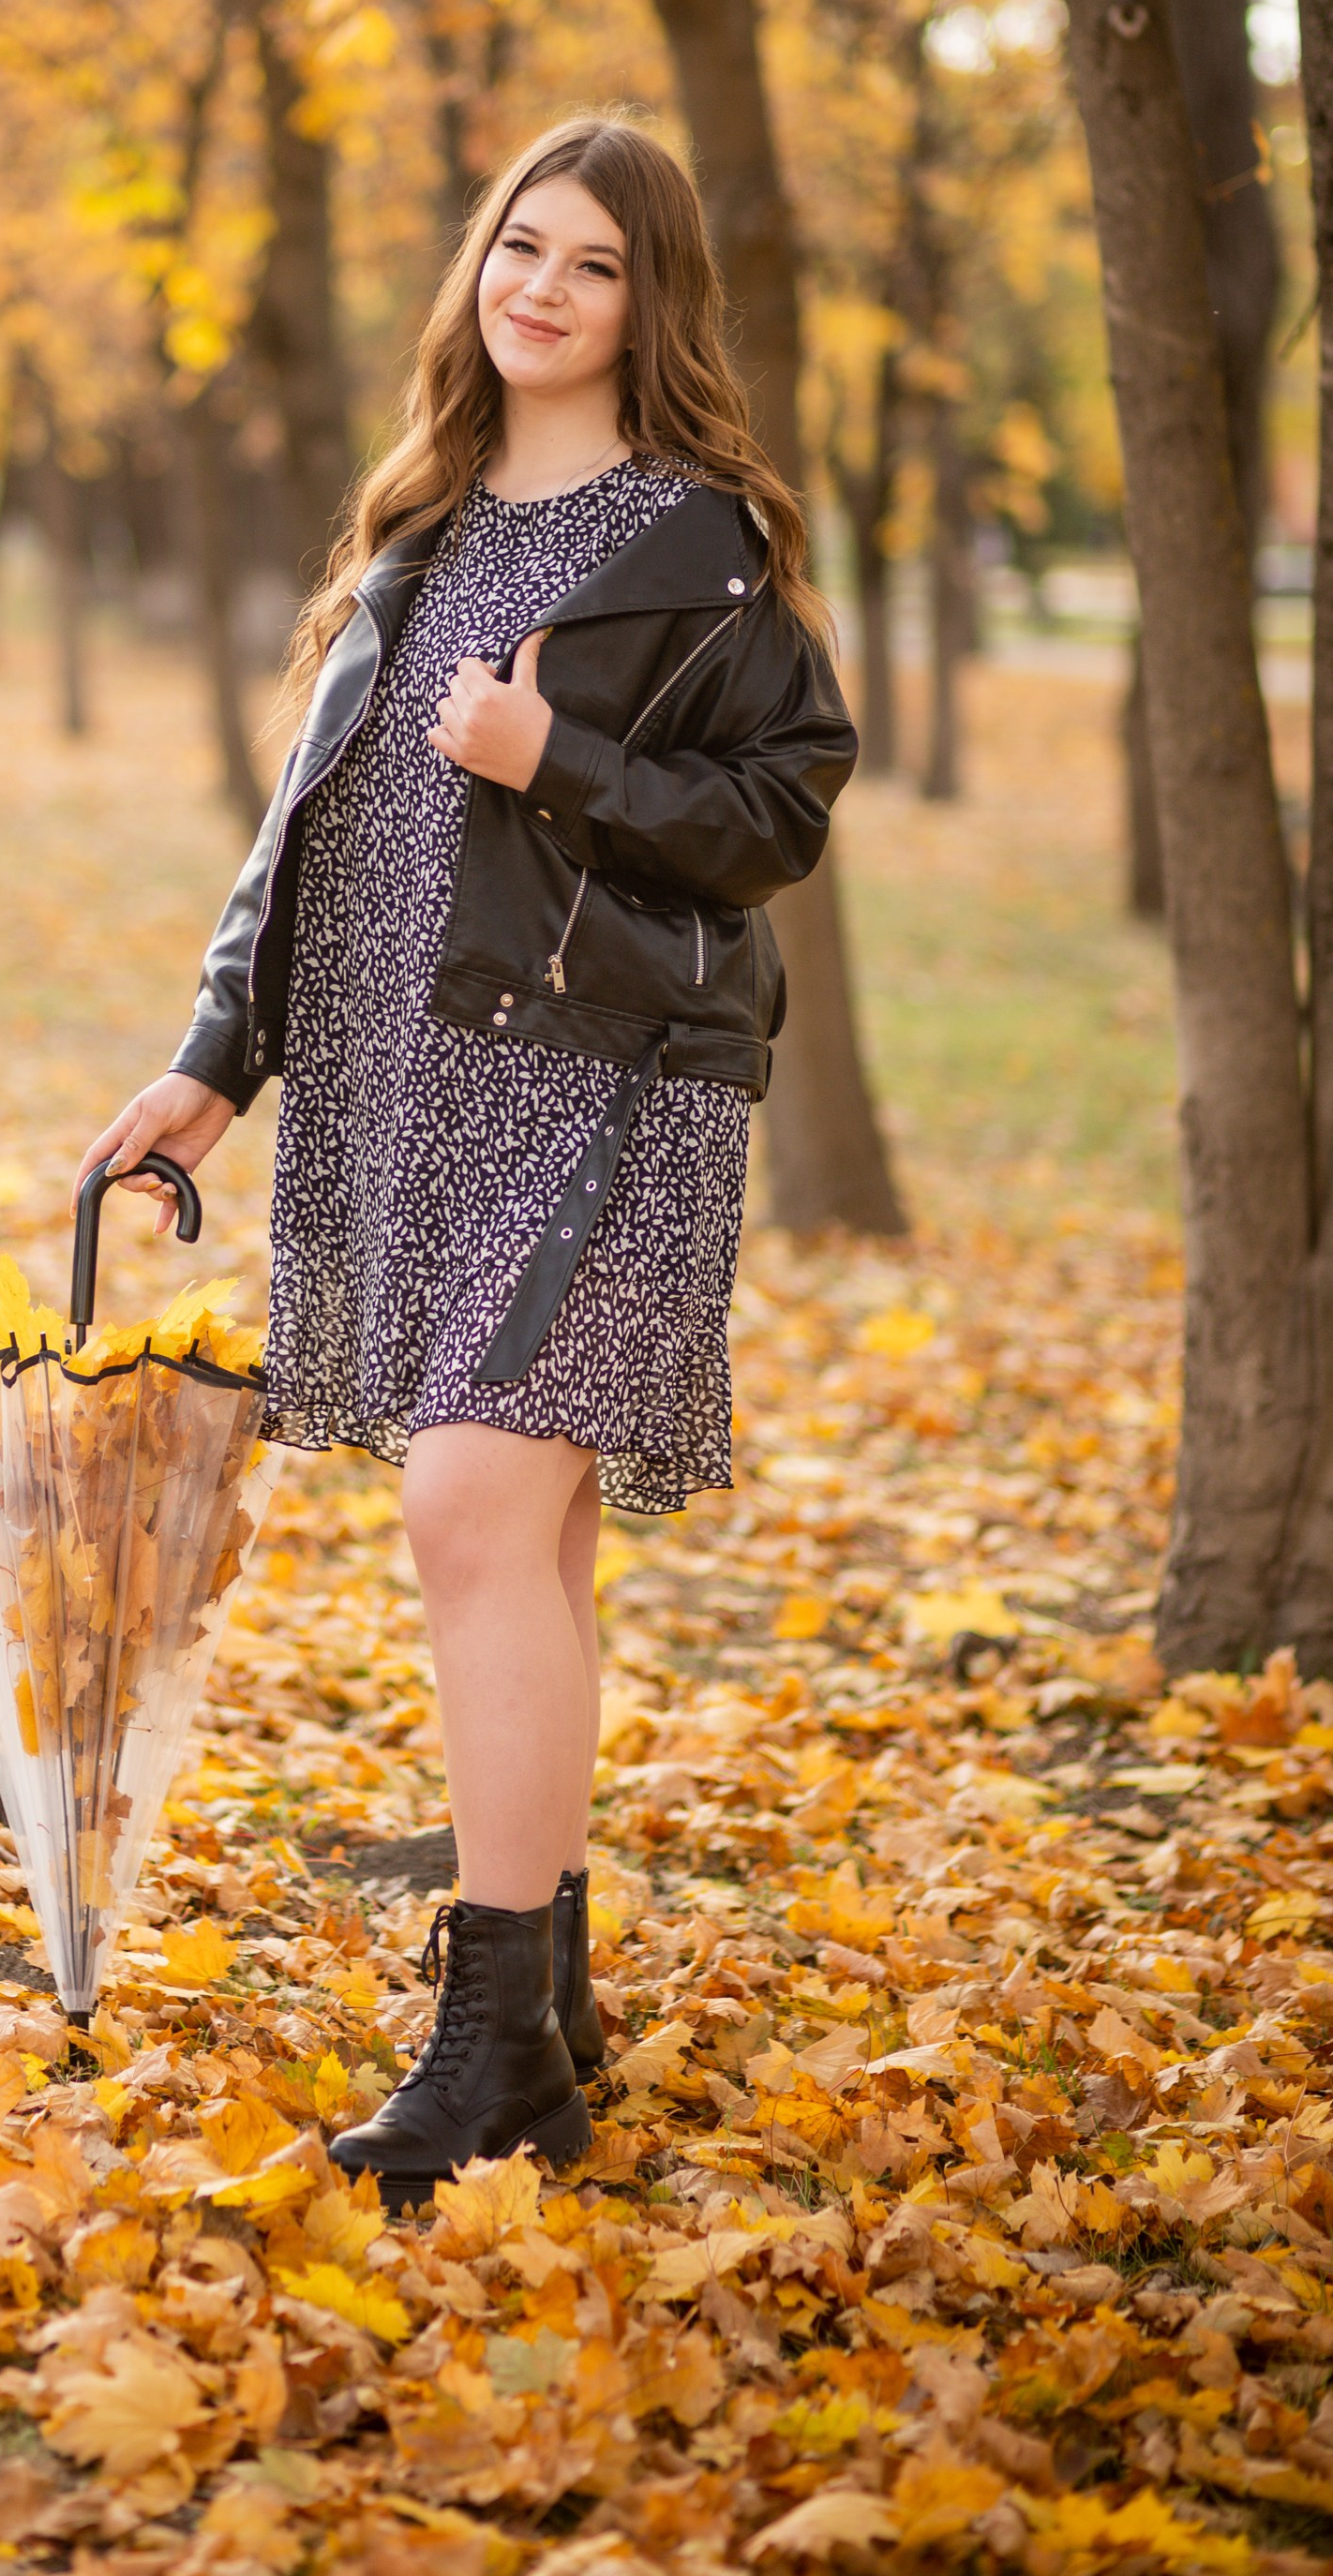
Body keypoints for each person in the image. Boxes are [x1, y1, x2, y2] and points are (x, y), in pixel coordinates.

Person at [80, 112, 857, 2205]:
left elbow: (781, 814)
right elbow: (309, 836)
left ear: (647, 302)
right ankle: (561, 1983)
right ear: (478, 270)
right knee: (530, 1544)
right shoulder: (413, 530)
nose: (543, 288)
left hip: (603, 1075)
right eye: (522, 245)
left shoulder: (703, 541)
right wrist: (206, 1068)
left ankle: (498, 2043)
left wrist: (561, 760)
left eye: (594, 263)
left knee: (468, 1515)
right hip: (396, 1078)